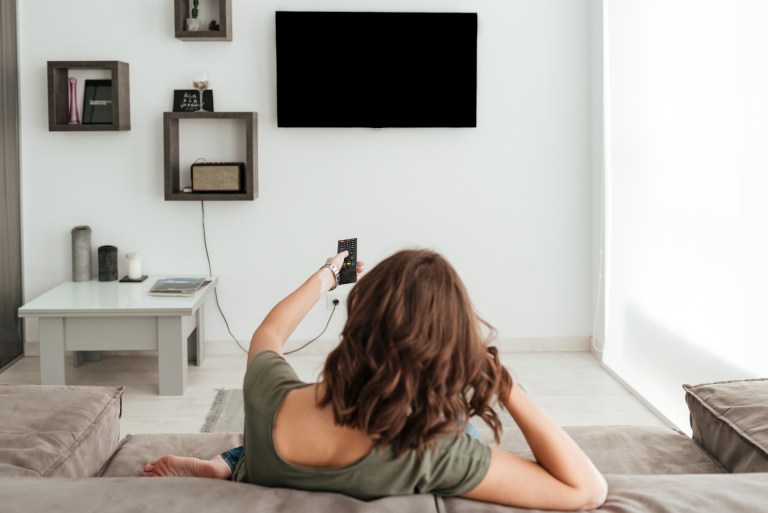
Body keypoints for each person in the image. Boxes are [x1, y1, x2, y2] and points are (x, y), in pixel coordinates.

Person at [143, 249, 607, 510]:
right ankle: (231, 463)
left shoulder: (269, 395)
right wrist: (503, 382)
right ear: (448, 347)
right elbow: (586, 490)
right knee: (460, 421)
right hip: (399, 449)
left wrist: (326, 276)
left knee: (260, 433)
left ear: (358, 322)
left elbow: (268, 334)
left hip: (274, 455)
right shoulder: (434, 453)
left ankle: (233, 464)